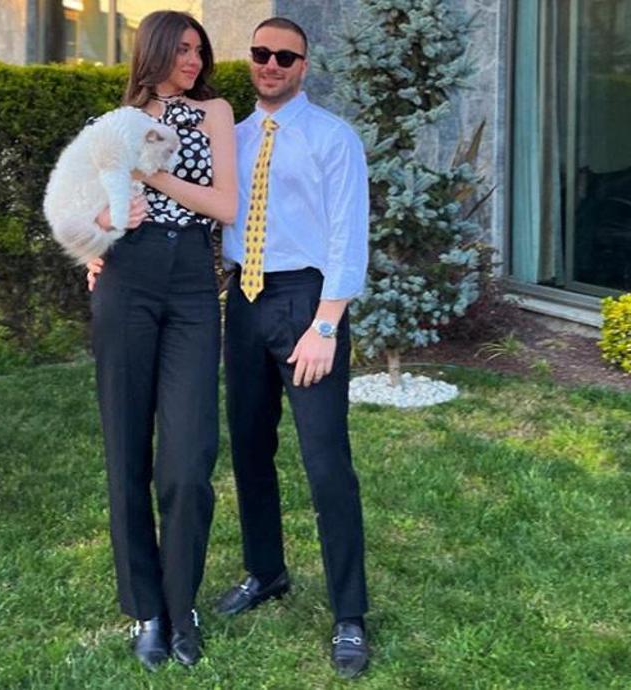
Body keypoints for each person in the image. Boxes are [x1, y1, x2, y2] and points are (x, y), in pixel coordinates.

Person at [214, 17, 371, 679]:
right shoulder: (232, 138)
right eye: (262, 53)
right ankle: (266, 571)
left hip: (306, 302)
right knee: (250, 448)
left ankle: (350, 614)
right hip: (245, 302)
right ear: (251, 59)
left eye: (285, 56)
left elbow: (348, 235)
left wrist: (325, 325)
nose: (271, 64)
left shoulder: (333, 138)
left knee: (326, 461)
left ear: (304, 65)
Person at [85, 10, 236, 672]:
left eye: (199, 49)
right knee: (126, 450)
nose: (193, 60)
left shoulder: (215, 113)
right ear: (153, 52)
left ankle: (183, 605)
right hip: (129, 277)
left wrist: (153, 178)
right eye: (181, 49)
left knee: (188, 457)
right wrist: (98, 233)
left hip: (193, 282)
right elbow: (86, 209)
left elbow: (224, 206)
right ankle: (148, 609)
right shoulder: (115, 124)